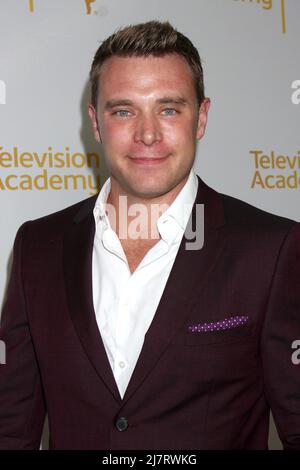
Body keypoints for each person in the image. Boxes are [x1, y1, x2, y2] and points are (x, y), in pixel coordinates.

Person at [0, 20, 299, 450]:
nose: (147, 134)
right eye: (124, 111)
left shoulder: (271, 250)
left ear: (202, 118)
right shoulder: (37, 248)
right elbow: (11, 429)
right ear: (96, 123)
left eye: (169, 109)